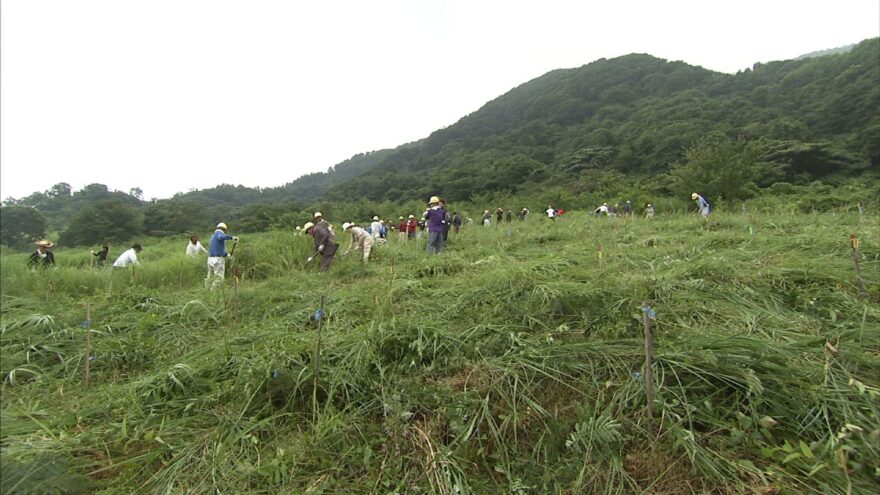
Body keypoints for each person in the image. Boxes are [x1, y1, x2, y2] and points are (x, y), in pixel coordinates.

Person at [205, 223, 239, 289]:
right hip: (217, 260)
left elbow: (218, 249)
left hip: (210, 260)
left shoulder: (212, 237)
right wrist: (232, 237)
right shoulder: (219, 233)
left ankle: (206, 291)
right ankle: (213, 294)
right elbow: (221, 237)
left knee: (210, 277)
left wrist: (227, 254)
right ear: (224, 229)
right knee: (219, 279)